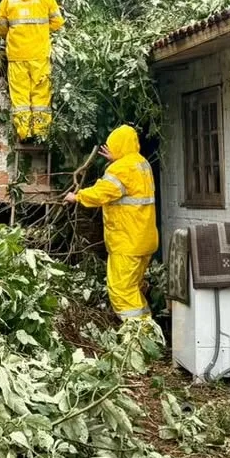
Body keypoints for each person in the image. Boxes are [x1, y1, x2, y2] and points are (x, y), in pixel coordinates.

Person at [65, 125, 159, 320]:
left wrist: (77, 197)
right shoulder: (142, 163)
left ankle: (140, 336)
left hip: (127, 242)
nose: (109, 148)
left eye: (112, 145)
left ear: (119, 145)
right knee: (134, 288)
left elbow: (103, 192)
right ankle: (148, 333)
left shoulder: (120, 168)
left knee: (121, 291)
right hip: (144, 240)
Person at [0, 0, 64, 140]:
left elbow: (0, 30)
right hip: (39, 56)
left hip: (17, 57)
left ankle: (24, 133)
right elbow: (57, 24)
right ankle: (40, 133)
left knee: (20, 98)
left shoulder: (8, 1)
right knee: (40, 96)